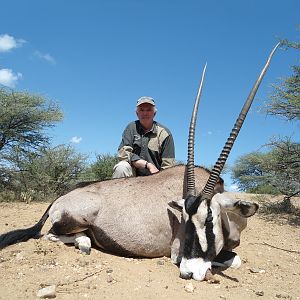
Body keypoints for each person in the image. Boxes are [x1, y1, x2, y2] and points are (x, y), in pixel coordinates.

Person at [112, 96, 175, 178]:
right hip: (132, 177)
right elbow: (123, 153)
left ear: (154, 113)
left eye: (149, 110)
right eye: (141, 110)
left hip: (155, 179)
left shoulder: (165, 133)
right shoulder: (131, 127)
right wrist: (147, 165)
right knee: (121, 167)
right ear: (137, 113)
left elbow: (168, 167)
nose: (145, 113)